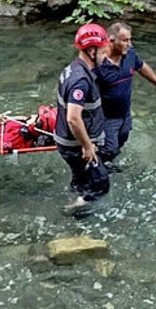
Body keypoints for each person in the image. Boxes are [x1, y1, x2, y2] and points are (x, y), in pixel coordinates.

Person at [94, 22, 156, 172]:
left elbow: (141, 66)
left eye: (130, 39)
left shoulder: (130, 54)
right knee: (110, 148)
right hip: (106, 117)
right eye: (125, 40)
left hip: (125, 114)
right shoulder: (98, 64)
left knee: (121, 142)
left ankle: (106, 164)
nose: (129, 44)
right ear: (111, 40)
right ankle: (95, 168)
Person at [55, 23, 111, 214]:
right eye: (103, 52)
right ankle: (76, 217)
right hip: (75, 145)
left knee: (81, 178)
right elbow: (73, 118)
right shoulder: (81, 80)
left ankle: (75, 196)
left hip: (68, 142)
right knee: (99, 184)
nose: (106, 57)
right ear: (91, 50)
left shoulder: (73, 69)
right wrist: (87, 146)